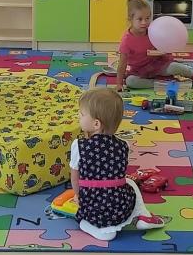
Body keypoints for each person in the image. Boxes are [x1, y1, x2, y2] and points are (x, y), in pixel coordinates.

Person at [70, 88, 165, 242]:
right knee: (130, 182)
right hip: (120, 207)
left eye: (81, 114)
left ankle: (95, 228)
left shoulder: (78, 145)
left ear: (96, 124)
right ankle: (143, 215)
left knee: (85, 220)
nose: (78, 116)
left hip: (93, 208)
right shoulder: (124, 145)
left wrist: (79, 196)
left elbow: (75, 178)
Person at [116, 0, 193, 90]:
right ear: (130, 19)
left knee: (174, 67)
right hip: (140, 71)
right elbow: (122, 64)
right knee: (130, 81)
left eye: (147, 18)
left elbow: (162, 47)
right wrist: (119, 83)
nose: (144, 22)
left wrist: (163, 50)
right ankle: (161, 83)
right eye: (140, 19)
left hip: (158, 65)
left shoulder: (153, 31)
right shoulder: (127, 40)